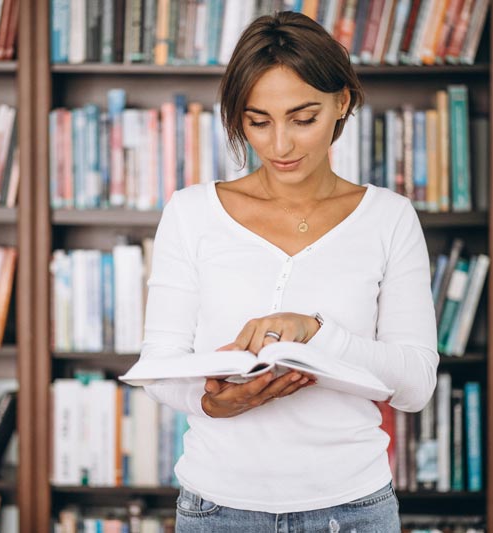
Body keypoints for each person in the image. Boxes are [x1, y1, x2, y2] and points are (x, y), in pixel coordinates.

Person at [140, 11, 438, 533]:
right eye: (259, 121)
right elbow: (160, 365)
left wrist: (318, 333)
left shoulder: (390, 217)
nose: (280, 145)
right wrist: (214, 402)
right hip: (217, 509)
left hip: (353, 509)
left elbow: (415, 386)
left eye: (303, 118)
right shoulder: (191, 212)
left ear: (342, 102)